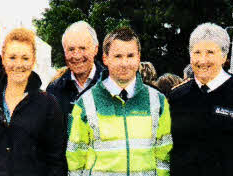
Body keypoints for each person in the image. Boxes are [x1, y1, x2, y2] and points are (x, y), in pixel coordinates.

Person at [66, 27, 172, 175]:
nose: (124, 63)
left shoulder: (157, 101)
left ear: (138, 57)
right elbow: (75, 160)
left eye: (130, 55)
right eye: (118, 56)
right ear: (105, 58)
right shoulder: (85, 103)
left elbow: (163, 157)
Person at [0, 28, 66, 176]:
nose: (18, 64)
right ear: (4, 59)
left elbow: (56, 161)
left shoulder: (49, 105)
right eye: (12, 57)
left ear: (33, 61)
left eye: (25, 58)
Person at [169, 23, 233, 176]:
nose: (202, 60)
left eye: (210, 53)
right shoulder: (177, 97)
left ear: (224, 56)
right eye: (197, 52)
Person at [47, 21, 105, 121]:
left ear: (95, 49)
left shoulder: (111, 84)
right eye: (71, 49)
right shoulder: (54, 91)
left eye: (82, 48)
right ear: (64, 52)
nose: (77, 56)